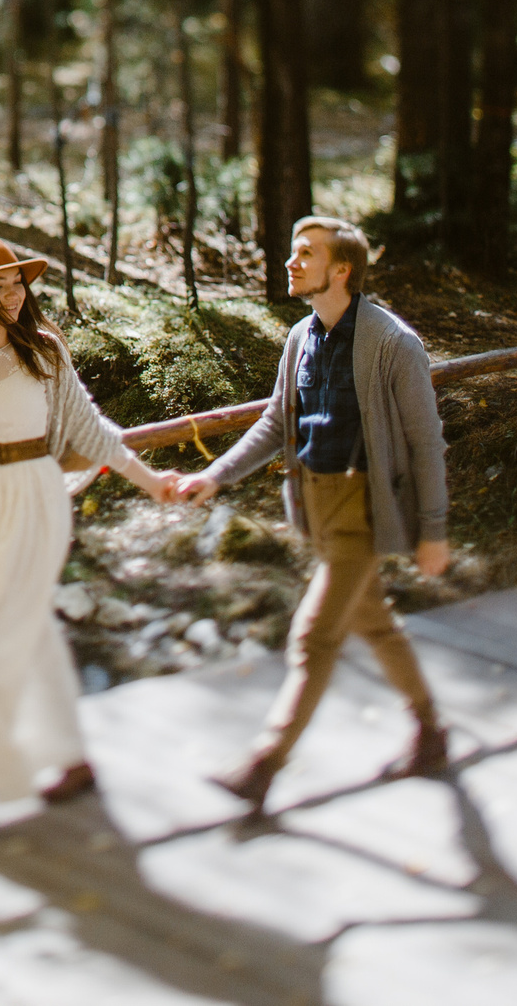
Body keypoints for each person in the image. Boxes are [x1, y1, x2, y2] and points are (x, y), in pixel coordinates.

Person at [0, 235, 181, 817]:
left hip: (37, 496)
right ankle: (71, 760)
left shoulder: (44, 353)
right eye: (1, 286)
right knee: (11, 628)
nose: (16, 294)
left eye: (19, 282)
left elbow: (91, 430)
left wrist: (152, 482)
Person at [178, 216, 450, 810]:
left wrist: (433, 531)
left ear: (342, 269)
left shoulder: (394, 344)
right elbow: (277, 423)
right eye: (293, 252)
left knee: (313, 636)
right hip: (318, 505)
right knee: (373, 621)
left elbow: (426, 441)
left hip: (362, 508)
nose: (291, 263)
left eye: (306, 254)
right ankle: (432, 731)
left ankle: (263, 766)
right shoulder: (301, 338)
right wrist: (215, 475)